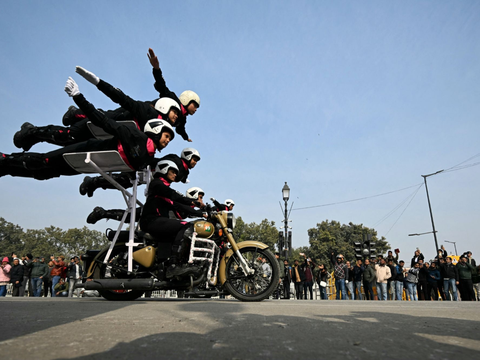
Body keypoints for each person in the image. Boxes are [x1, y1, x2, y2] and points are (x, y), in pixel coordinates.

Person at [1, 78, 175, 180]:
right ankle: (7, 157)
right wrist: (79, 96)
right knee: (48, 156)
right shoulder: (136, 132)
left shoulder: (147, 157)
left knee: (47, 173)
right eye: (167, 136)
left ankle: (8, 169)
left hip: (89, 160)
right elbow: (105, 118)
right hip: (89, 139)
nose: (167, 141)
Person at [139, 160, 205, 278]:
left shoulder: (164, 189)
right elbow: (174, 196)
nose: (175, 175)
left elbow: (178, 205)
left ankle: (165, 264)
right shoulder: (157, 184)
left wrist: (201, 213)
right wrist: (192, 202)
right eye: (173, 171)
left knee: (179, 230)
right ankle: (174, 266)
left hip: (157, 221)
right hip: (151, 221)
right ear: (164, 169)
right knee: (186, 226)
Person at [80, 146, 201, 199]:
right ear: (188, 156)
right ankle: (93, 181)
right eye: (194, 159)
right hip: (145, 169)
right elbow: (161, 164)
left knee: (123, 184)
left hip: (149, 178)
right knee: (122, 180)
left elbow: (181, 177)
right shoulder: (175, 160)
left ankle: (95, 184)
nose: (195, 162)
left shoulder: (184, 171)